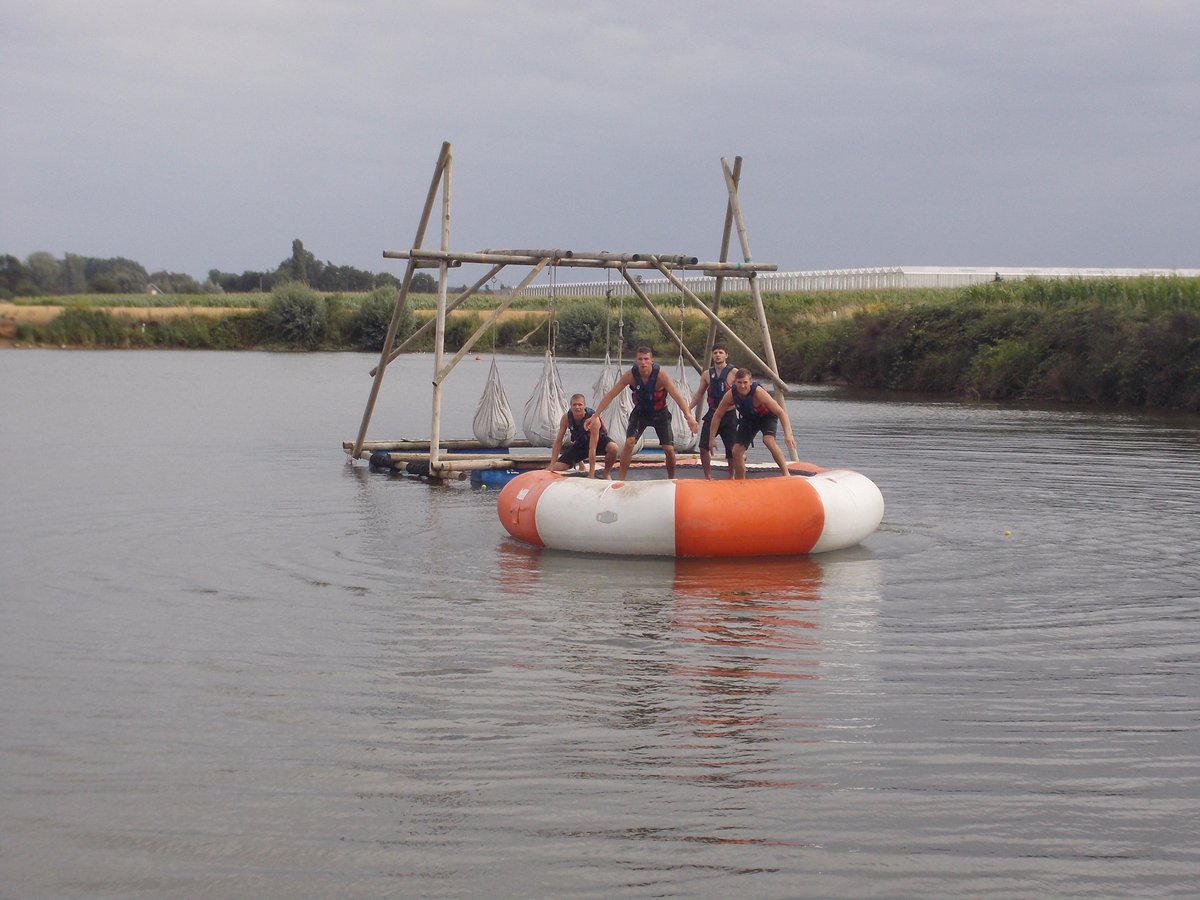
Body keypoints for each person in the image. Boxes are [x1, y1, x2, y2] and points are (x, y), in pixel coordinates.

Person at [589, 345, 698, 480]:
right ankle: (621, 479)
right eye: (640, 359)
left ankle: (672, 478)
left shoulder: (661, 376)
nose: (643, 362)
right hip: (640, 412)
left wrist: (688, 417)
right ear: (636, 361)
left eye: (646, 359)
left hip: (660, 413)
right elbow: (611, 395)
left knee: (669, 449)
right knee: (629, 442)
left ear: (652, 360)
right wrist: (596, 415)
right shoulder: (630, 375)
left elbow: (677, 396)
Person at [707, 368, 796, 478]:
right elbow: (717, 415)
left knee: (768, 440)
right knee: (736, 451)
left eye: (745, 382)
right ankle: (741, 480)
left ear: (750, 382)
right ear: (735, 383)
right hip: (749, 419)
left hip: (766, 417)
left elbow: (780, 412)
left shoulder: (758, 392)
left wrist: (788, 435)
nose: (742, 386)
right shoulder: (730, 395)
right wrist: (711, 438)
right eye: (739, 383)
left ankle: (786, 473)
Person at [688, 341, 737, 480]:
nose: (717, 355)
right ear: (712, 355)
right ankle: (708, 476)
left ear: (726, 355)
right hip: (713, 412)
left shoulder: (734, 372)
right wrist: (688, 408)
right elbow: (700, 393)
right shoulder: (707, 374)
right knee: (703, 446)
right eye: (715, 353)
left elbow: (743, 391)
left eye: (720, 352)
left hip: (729, 414)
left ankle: (731, 476)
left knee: (731, 448)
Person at [547, 393, 617, 479]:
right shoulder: (566, 418)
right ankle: (580, 463)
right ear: (571, 406)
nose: (577, 407)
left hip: (598, 443)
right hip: (581, 445)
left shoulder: (593, 420)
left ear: (584, 406)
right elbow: (558, 441)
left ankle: (606, 473)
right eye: (574, 405)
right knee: (558, 467)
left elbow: (592, 448)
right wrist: (552, 465)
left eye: (580, 404)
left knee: (614, 448)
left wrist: (591, 474)